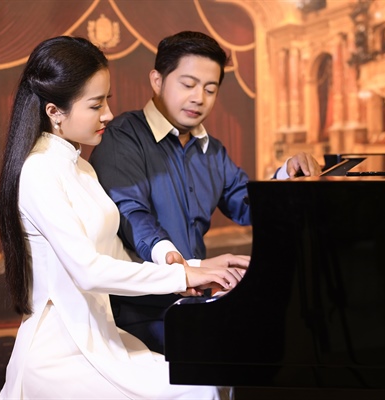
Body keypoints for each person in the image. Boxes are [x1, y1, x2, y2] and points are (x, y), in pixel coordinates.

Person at [0, 35, 246, 399]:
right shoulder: (38, 171)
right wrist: (182, 274)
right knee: (197, 389)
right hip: (62, 349)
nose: (108, 114)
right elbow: (89, 271)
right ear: (54, 111)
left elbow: (115, 257)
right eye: (96, 104)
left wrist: (197, 267)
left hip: (102, 337)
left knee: (203, 383)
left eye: (107, 101)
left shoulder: (81, 168)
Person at [89, 30, 322, 354]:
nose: (199, 97)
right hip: (140, 310)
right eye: (188, 84)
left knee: (285, 336)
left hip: (196, 299)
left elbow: (248, 206)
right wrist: (173, 260)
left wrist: (288, 174)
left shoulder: (212, 151)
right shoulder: (123, 137)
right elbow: (130, 212)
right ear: (157, 81)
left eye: (210, 89)